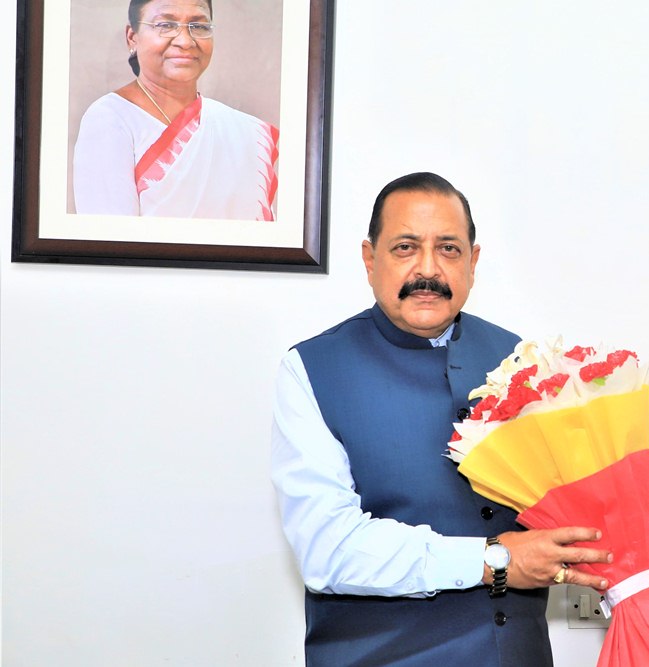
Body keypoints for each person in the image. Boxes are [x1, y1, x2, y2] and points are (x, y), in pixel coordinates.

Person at [270, 172, 610, 666]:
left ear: (473, 261)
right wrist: (497, 560)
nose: (427, 269)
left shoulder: (523, 361)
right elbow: (329, 550)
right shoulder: (312, 371)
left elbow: (568, 506)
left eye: (449, 249)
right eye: (405, 247)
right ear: (370, 259)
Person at [73, 0, 279, 219]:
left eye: (199, 26)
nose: (185, 41)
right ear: (132, 37)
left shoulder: (245, 133)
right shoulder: (110, 118)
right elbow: (110, 242)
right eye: (165, 25)